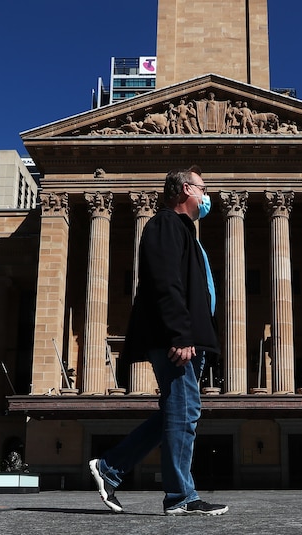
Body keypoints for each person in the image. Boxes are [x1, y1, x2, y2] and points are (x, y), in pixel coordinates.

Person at [89, 166, 228, 516]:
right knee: (183, 411)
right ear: (184, 189)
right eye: (202, 188)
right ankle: (180, 497)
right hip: (177, 338)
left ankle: (110, 467)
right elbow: (166, 284)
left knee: (177, 412)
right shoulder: (166, 225)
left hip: (185, 337)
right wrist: (182, 334)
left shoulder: (182, 230)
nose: (206, 196)